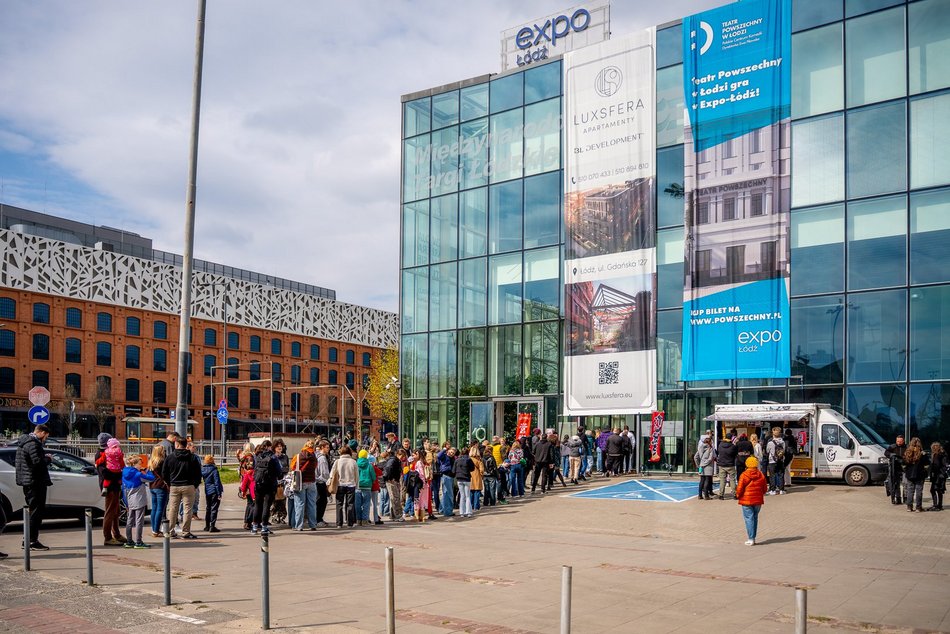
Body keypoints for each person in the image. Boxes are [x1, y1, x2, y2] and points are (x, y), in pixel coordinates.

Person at [15, 424, 52, 550]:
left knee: (32, 511)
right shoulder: (33, 444)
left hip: (28, 481)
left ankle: (27, 539)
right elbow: (37, 462)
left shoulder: (24, 443)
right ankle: (31, 541)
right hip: (35, 482)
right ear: (41, 432)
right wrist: (48, 459)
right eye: (45, 436)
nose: (45, 438)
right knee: (36, 512)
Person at [162, 436, 202, 539]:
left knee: (172, 509)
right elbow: (198, 473)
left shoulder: (170, 457)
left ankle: (170, 531)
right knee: (187, 510)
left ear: (177, 444)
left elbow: (164, 472)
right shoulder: (192, 457)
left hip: (174, 486)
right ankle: (186, 532)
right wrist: (195, 485)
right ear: (185, 445)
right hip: (189, 486)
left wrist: (169, 483)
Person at [122, 454, 155, 548]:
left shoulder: (124, 473)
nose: (141, 466)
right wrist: (148, 472)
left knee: (130, 520)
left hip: (129, 499)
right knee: (139, 521)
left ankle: (129, 540)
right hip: (139, 499)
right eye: (139, 464)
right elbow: (151, 479)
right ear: (134, 464)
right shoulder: (138, 474)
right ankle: (138, 541)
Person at [251, 440, 281, 534]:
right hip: (270, 484)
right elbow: (279, 471)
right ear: (269, 446)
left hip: (259, 483)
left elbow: (254, 469)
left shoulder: (258, 456)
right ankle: (264, 527)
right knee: (267, 505)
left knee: (258, 504)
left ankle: (255, 527)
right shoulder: (273, 457)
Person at [735, 456, 768, 545]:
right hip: (758, 499)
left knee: (749, 518)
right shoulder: (760, 474)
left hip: (746, 500)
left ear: (747, 464)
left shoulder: (744, 475)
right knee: (755, 517)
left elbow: (740, 488)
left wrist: (738, 495)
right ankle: (753, 537)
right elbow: (765, 488)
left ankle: (751, 538)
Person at [330, 445, 358, 528]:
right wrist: (356, 484)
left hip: (340, 484)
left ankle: (339, 523)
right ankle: (350, 523)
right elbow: (356, 475)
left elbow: (332, 473)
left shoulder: (337, 461)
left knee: (339, 504)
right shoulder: (353, 462)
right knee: (350, 504)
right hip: (351, 485)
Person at [293, 441, 318, 531]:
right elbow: (315, 467)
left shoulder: (298, 456)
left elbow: (293, 467)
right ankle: (313, 524)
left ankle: (299, 526)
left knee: (300, 504)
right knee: (312, 504)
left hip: (301, 482)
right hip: (311, 481)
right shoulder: (314, 457)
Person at [903, 437, 930, 512]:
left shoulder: (907, 452)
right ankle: (918, 507)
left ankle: (909, 507)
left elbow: (903, 463)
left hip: (909, 474)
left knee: (910, 491)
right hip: (920, 474)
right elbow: (927, 464)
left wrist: (906, 470)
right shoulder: (922, 453)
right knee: (919, 491)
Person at [147, 445, 169, 537]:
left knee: (154, 508)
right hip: (161, 486)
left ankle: (154, 529)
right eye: (163, 450)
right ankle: (156, 530)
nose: (165, 451)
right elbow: (165, 474)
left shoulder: (151, 461)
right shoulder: (162, 461)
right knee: (160, 509)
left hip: (153, 486)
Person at [201, 455, 224, 533]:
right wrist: (219, 493)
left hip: (207, 490)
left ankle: (207, 526)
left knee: (208, 508)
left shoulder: (203, 469)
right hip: (214, 490)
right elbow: (217, 482)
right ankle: (212, 526)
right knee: (214, 508)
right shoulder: (214, 470)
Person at [355, 449, 376, 526]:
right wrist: (372, 481)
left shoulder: (356, 465)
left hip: (358, 487)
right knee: (366, 504)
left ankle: (358, 520)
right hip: (367, 487)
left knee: (358, 504)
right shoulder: (369, 465)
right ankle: (365, 520)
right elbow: (373, 476)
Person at [271, 439, 290, 525]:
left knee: (282, 499)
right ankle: (274, 516)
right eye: (278, 446)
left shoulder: (285, 457)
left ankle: (282, 517)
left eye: (281, 446)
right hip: (275, 481)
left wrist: (282, 470)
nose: (279, 448)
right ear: (274, 448)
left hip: (283, 480)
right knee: (275, 500)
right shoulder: (272, 457)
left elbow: (287, 468)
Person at [383, 448, 405, 521]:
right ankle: (398, 515)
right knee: (395, 498)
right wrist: (389, 478)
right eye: (403, 456)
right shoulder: (394, 460)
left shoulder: (394, 460)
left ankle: (393, 515)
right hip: (392, 481)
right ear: (399, 454)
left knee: (394, 497)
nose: (403, 458)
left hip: (393, 480)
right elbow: (388, 468)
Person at [716, 432, 738, 500]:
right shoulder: (733, 446)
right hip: (730, 464)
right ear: (731, 438)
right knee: (732, 480)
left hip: (722, 465)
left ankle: (721, 495)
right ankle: (734, 494)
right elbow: (735, 455)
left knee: (722, 480)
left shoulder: (720, 445)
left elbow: (718, 453)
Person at [884, 435, 906, 505]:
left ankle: (905, 498)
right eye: (897, 441)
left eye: (900, 441)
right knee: (896, 484)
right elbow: (886, 453)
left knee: (905, 484)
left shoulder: (907, 447)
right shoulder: (892, 446)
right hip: (895, 468)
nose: (899, 442)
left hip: (904, 468)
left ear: (903, 441)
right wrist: (891, 455)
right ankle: (898, 498)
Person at [454, 446, 475, 517]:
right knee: (467, 496)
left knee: (462, 496)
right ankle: (468, 512)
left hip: (459, 478)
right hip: (466, 478)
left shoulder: (457, 460)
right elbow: (472, 469)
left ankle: (461, 512)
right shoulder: (468, 459)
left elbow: (453, 470)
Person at [315, 440, 331, 527]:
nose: (328, 449)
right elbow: (325, 473)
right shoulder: (322, 458)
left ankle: (318, 519)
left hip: (316, 481)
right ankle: (318, 519)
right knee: (322, 501)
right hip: (321, 482)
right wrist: (328, 480)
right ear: (322, 448)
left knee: (319, 501)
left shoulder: (316, 456)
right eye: (327, 447)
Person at [765, 428, 787, 495]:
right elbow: (784, 451)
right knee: (781, 475)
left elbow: (767, 451)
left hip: (772, 461)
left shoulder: (770, 443)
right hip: (780, 460)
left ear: (773, 434)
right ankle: (781, 490)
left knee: (772, 476)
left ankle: (773, 490)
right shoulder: (783, 442)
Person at [437, 445, 456, 517]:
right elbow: (438, 456)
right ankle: (448, 511)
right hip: (446, 476)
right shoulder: (444, 456)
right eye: (451, 452)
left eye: (453, 453)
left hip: (449, 476)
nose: (452, 454)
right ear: (448, 451)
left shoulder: (453, 458)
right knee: (448, 494)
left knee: (445, 494)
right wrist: (444, 449)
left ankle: (441, 509)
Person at [694, 436, 714, 500]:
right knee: (707, 481)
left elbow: (695, 457)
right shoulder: (710, 448)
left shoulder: (700, 448)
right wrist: (705, 463)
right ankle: (706, 496)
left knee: (702, 481)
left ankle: (700, 495)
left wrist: (699, 465)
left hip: (701, 466)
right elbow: (710, 458)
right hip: (708, 466)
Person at [928, 442, 946, 511]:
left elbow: (936, 466)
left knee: (933, 490)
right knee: (939, 491)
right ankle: (940, 505)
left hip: (937, 476)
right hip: (942, 475)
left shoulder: (936, 456)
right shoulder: (943, 454)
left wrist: (931, 471)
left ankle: (935, 505)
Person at [469, 446, 485, 512]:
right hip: (477, 477)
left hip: (470, 477)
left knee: (471, 492)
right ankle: (476, 506)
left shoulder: (468, 459)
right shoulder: (479, 460)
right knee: (477, 492)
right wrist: (482, 475)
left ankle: (471, 506)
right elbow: (481, 470)